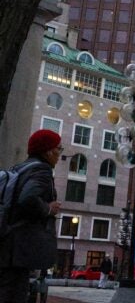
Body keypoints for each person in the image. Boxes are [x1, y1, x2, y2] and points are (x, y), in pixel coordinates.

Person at [0, 129, 62, 302]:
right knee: (14, 294)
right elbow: (27, 199)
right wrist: (48, 209)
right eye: (59, 149)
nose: (59, 154)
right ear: (48, 151)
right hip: (20, 247)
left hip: (8, 242)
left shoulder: (21, 167)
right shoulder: (42, 170)